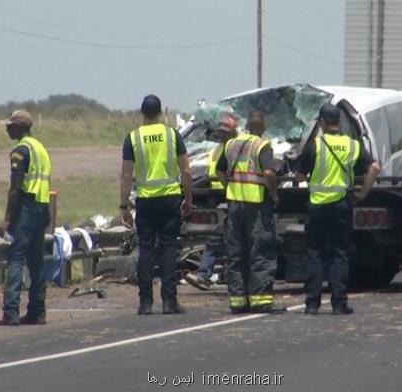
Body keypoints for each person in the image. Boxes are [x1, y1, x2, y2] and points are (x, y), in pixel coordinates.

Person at [292, 104, 380, 315]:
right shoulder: (352, 144)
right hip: (342, 203)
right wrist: (363, 192)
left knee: (314, 253)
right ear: (339, 122)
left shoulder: (316, 144)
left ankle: (312, 303)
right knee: (340, 254)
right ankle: (339, 303)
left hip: (318, 204)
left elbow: (300, 177)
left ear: (322, 122)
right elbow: (374, 167)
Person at [120, 95, 192, 315]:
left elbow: (125, 175)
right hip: (170, 198)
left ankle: (145, 303)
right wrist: (188, 198)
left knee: (146, 249)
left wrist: (124, 206)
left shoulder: (133, 138)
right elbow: (186, 171)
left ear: (142, 113)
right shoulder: (172, 135)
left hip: (145, 200)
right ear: (160, 112)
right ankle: (169, 301)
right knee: (169, 247)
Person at [215, 110, 285, 314]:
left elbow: (220, 170)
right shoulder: (262, 145)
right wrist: (273, 194)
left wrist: (228, 186)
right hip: (255, 205)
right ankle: (261, 300)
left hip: (235, 204)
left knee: (236, 253)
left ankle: (238, 301)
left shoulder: (231, 144)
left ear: (247, 125)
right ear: (262, 126)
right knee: (260, 251)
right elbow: (269, 173)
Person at [0, 110, 52, 326]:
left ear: (20, 128)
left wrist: (8, 219)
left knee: (16, 259)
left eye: (10, 126)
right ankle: (38, 310)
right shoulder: (40, 148)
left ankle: (11, 311)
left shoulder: (20, 150)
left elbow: (15, 188)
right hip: (42, 207)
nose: (7, 129)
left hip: (26, 207)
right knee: (36, 261)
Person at [184, 113, 238, 291]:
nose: (222, 134)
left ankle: (209, 275)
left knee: (226, 239)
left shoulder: (235, 147)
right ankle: (208, 275)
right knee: (220, 238)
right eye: (220, 131)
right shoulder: (218, 149)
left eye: (225, 131)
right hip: (221, 198)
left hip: (237, 198)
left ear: (233, 131)